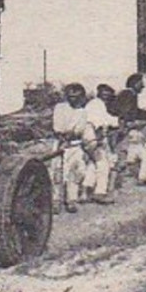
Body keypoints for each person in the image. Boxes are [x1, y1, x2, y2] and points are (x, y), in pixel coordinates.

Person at [51, 83, 92, 213]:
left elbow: (79, 130)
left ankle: (71, 200)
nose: (73, 99)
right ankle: (56, 200)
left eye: (77, 96)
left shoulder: (82, 112)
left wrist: (73, 135)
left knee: (75, 172)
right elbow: (57, 127)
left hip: (75, 144)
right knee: (57, 172)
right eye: (71, 96)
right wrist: (62, 136)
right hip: (60, 143)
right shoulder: (60, 108)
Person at [84, 84, 120, 204]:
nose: (106, 96)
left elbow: (108, 119)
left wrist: (118, 121)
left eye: (108, 94)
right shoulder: (96, 104)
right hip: (93, 134)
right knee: (103, 164)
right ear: (99, 93)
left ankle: (85, 191)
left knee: (93, 165)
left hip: (92, 134)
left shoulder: (99, 104)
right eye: (104, 94)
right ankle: (100, 193)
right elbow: (98, 123)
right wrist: (98, 140)